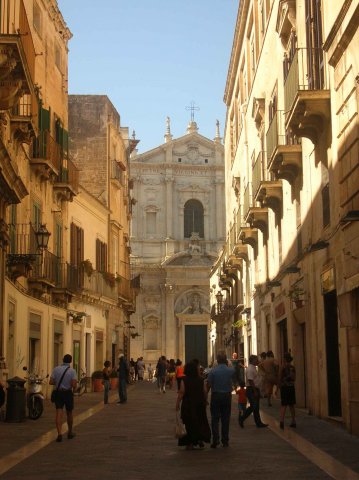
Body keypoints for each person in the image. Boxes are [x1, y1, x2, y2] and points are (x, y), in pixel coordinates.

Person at [176, 361, 211, 450]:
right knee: (200, 421)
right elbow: (204, 391)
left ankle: (190, 443)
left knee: (188, 423)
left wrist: (177, 403)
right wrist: (205, 400)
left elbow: (181, 393)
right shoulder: (201, 380)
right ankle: (199, 439)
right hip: (199, 404)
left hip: (188, 405)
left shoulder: (184, 380)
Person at [206, 351, 235, 448]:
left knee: (215, 419)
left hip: (216, 396)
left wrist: (205, 397)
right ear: (226, 359)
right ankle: (225, 440)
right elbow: (235, 381)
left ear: (217, 360)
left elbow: (208, 385)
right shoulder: (231, 371)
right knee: (225, 419)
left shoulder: (213, 371)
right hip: (227, 396)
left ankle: (215, 440)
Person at [49, 354, 78, 442]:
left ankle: (59, 434)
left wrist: (58, 383)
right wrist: (73, 388)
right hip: (68, 393)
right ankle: (69, 432)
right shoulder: (72, 371)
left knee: (59, 412)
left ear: (63, 360)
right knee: (69, 413)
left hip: (58, 393)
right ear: (70, 361)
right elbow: (73, 384)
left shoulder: (56, 369)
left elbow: (51, 382)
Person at [239, 354, 268, 429]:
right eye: (256, 360)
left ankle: (258, 423)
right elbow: (250, 380)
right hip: (252, 389)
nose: (258, 361)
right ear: (253, 360)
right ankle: (242, 418)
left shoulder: (254, 368)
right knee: (253, 406)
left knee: (256, 407)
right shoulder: (250, 369)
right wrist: (255, 391)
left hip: (254, 389)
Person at [279, 353, 296, 429]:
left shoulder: (282, 367)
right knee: (291, 405)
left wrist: (277, 387)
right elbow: (294, 378)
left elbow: (279, 377)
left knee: (284, 405)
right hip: (291, 387)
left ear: (285, 359)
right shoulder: (293, 367)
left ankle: (282, 421)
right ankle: (293, 421)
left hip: (284, 387)